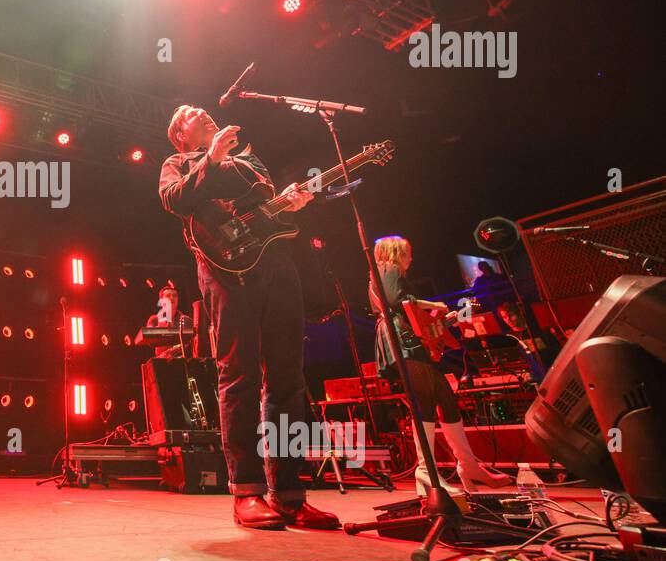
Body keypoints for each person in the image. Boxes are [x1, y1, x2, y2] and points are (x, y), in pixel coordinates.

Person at [159, 105, 339, 530]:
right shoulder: (178, 164)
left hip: (276, 266)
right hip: (224, 272)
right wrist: (210, 159)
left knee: (288, 380)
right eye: (191, 114)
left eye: (204, 110)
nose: (202, 113)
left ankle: (290, 495)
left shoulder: (250, 159)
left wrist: (294, 205)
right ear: (181, 135)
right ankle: (247, 492)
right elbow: (174, 200)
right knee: (238, 376)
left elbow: (266, 212)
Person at [370, 236, 510, 494]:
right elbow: (397, 302)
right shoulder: (388, 270)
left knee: (446, 400)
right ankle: (426, 472)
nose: (411, 258)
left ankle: (468, 465)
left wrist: (447, 320)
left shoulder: (390, 274)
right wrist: (434, 305)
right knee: (424, 402)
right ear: (397, 252)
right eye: (408, 252)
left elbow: (416, 319)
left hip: (411, 340)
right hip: (403, 341)